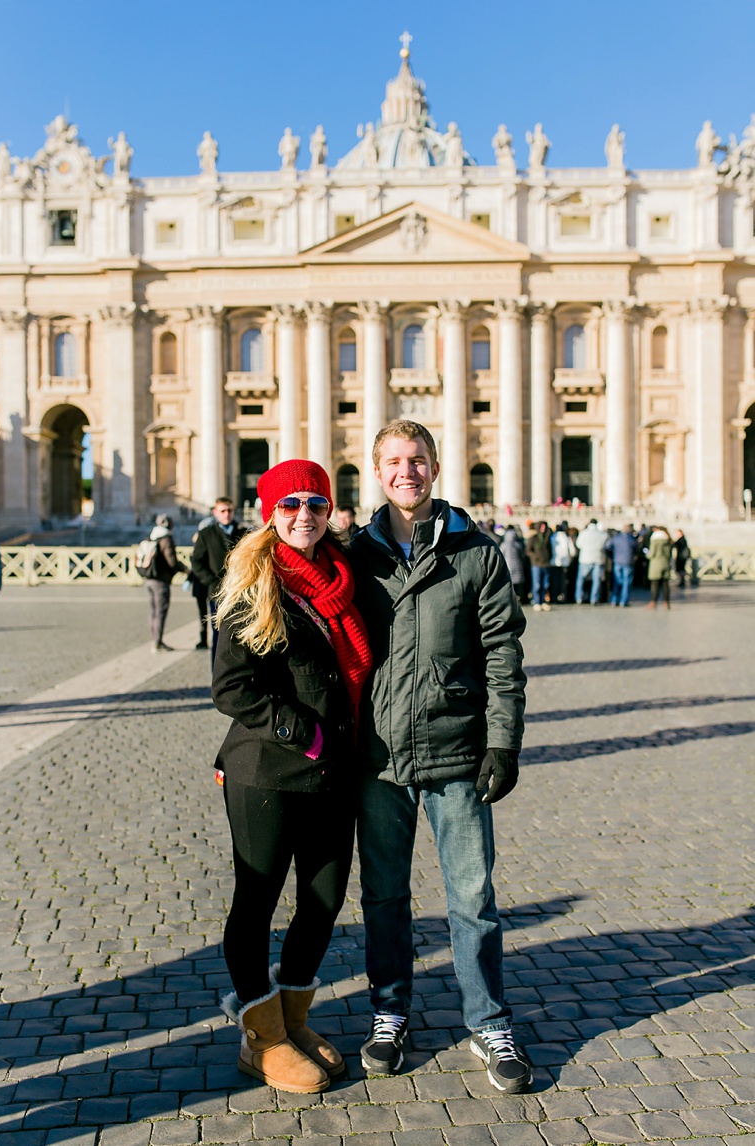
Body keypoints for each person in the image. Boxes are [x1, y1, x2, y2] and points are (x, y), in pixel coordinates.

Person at [348, 420, 531, 1094]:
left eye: (417, 460)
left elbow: (504, 655)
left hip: (456, 749)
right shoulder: (354, 557)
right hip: (380, 755)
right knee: (385, 898)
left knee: (474, 897)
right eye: (394, 461)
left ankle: (489, 1021)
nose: (407, 472)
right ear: (376, 470)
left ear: (434, 466)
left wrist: (503, 742)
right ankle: (389, 1011)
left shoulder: (476, 553)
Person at [211, 460, 371, 1095]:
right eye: (290, 505)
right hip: (269, 773)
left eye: (315, 503)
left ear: (330, 510)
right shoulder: (253, 584)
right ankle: (263, 1036)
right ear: (269, 515)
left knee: (325, 899)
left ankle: (293, 1018)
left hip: (337, 771)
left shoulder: (348, 578)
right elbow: (230, 689)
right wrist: (304, 733)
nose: (304, 514)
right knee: (257, 904)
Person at [189, 497, 247, 654]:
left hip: (240, 590)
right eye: (223, 511)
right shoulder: (206, 534)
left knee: (241, 633)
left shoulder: (243, 532)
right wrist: (212, 581)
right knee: (219, 634)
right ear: (215, 513)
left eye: (230, 511)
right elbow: (197, 562)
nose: (227, 514)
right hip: (217, 591)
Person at [140, 514, 181, 650]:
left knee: (152, 611)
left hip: (148, 579)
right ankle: (158, 642)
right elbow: (172, 560)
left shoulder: (151, 536)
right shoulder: (166, 539)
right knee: (160, 612)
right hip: (161, 581)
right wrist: (184, 570)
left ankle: (154, 639)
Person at [574, 519, 608, 605]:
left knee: (581, 579)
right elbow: (604, 546)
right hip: (598, 559)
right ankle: (594, 598)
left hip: (585, 558)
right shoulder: (602, 534)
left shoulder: (583, 533)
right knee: (596, 580)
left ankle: (579, 597)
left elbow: (578, 544)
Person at [606, 526, 638, 607]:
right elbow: (636, 549)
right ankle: (623, 601)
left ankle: (614, 599)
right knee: (626, 582)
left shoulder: (616, 538)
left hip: (617, 561)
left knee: (617, 581)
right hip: (628, 561)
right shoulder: (632, 539)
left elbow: (608, 547)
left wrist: (612, 556)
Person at [523, 521, 551, 610]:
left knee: (545, 584)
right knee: (537, 584)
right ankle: (536, 602)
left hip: (546, 563)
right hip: (536, 564)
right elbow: (528, 550)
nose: (543, 529)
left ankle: (543, 601)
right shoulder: (534, 538)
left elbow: (550, 550)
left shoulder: (547, 538)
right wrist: (535, 557)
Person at [549, 520, 576, 605]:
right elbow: (572, 551)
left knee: (554, 581)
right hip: (565, 563)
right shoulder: (567, 538)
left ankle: (554, 597)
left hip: (554, 562)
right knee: (563, 581)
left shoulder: (552, 537)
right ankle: (564, 597)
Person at [646, 525, 673, 609]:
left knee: (655, 584)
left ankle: (653, 602)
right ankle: (666, 602)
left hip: (656, 564)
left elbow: (651, 554)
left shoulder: (655, 541)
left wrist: (647, 554)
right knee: (665, 584)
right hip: (665, 563)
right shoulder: (668, 540)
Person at [498, 525, 527, 600]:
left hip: (508, 566)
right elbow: (522, 556)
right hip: (518, 566)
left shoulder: (503, 545)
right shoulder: (518, 544)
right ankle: (519, 597)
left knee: (509, 584)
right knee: (518, 585)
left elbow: (500, 555)